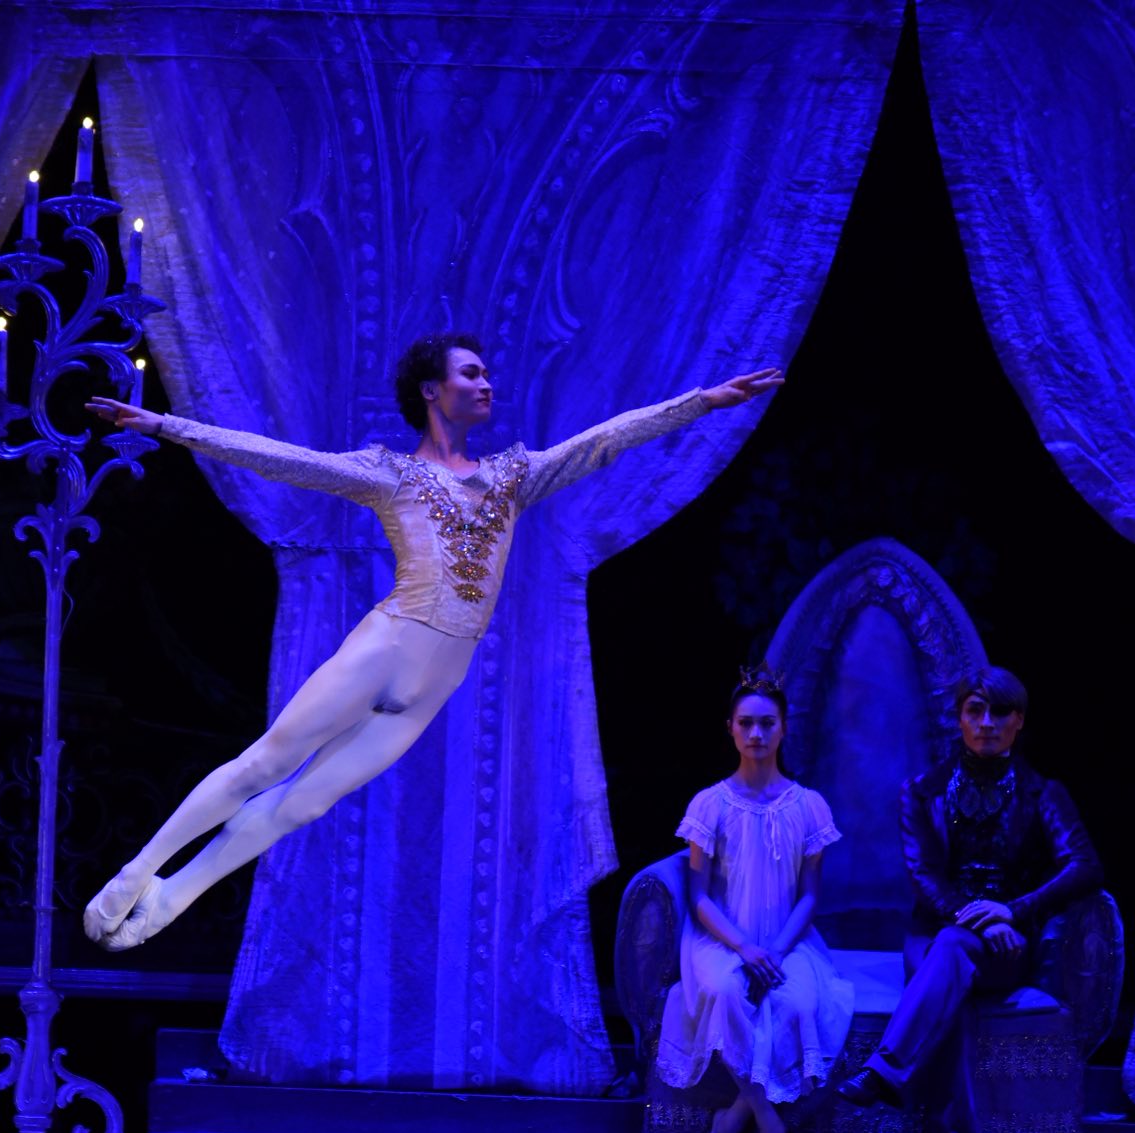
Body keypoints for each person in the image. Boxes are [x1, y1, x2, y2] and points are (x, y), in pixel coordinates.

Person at [80, 334, 784, 949]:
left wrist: (701, 402)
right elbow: (282, 459)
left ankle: (173, 897)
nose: (486, 383)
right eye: (471, 373)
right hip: (386, 647)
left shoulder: (512, 477)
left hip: (437, 680)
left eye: (487, 374)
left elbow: (602, 441)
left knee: (305, 804)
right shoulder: (392, 474)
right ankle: (138, 872)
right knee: (264, 765)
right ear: (431, 390)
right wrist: (166, 425)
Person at [834, 666, 1103, 1133]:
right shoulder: (922, 792)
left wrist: (1013, 911)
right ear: (959, 717)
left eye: (999, 712)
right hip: (937, 932)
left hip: (1009, 944)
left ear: (1018, 720)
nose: (986, 723)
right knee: (950, 959)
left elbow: (1085, 866)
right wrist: (975, 918)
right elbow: (924, 877)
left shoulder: (1042, 793)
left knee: (950, 957)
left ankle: (888, 1072)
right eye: (975, 711)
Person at [655, 669, 854, 1133]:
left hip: (787, 938)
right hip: (723, 937)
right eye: (746, 723)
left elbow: (809, 896)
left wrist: (777, 950)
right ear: (730, 728)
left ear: (784, 728)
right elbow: (699, 897)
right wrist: (744, 947)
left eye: (767, 723)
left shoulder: (809, 806)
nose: (756, 734)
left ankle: (730, 1122)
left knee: (798, 1002)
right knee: (725, 993)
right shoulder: (710, 804)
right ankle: (768, 1124)